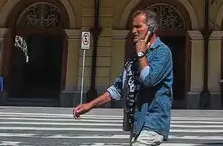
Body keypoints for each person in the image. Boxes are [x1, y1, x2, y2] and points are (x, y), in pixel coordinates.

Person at [74, 9, 173, 146]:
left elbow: (149, 79)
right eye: (133, 27)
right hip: (137, 123)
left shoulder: (162, 52)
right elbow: (118, 88)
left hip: (152, 122)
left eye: (138, 26)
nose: (133, 30)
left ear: (151, 29)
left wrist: (141, 55)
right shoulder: (134, 58)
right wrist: (90, 105)